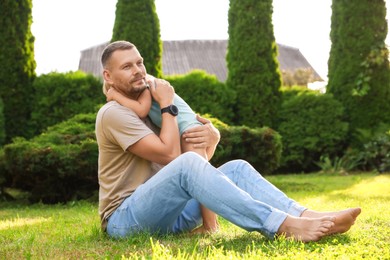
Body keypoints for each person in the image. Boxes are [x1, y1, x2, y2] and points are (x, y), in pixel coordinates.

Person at [96, 40, 361, 242]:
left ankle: (310, 216)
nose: (137, 71)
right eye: (127, 66)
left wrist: (212, 132)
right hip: (126, 219)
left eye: (139, 63)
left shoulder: (150, 98)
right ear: (108, 76)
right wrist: (167, 105)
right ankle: (284, 226)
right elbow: (171, 156)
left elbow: (197, 147)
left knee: (237, 168)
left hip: (169, 214)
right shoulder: (114, 113)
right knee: (187, 163)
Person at [103, 76, 218, 234]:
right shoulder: (150, 87)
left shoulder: (147, 85)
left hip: (191, 131)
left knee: (203, 179)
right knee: (202, 177)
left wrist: (116, 96)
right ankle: (211, 225)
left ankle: (210, 226)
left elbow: (141, 109)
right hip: (189, 130)